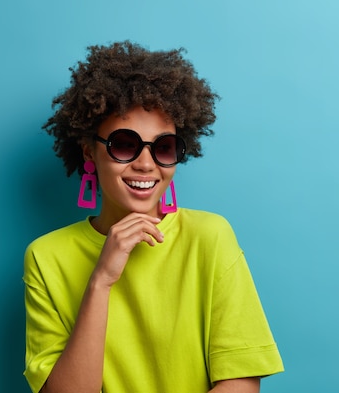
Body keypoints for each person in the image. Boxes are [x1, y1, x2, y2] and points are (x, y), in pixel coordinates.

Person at [23, 41, 284, 393]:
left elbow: (240, 385)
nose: (146, 164)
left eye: (163, 148)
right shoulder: (46, 257)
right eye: (125, 145)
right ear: (89, 151)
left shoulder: (209, 236)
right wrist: (101, 280)